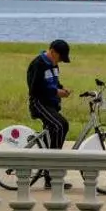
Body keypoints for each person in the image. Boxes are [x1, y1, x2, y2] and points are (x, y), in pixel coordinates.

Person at [26, 39, 73, 189]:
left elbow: (54, 83)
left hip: (51, 105)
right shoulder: (38, 64)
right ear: (52, 52)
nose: (60, 61)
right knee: (60, 125)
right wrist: (56, 92)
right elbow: (35, 89)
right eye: (60, 57)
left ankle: (50, 172)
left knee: (59, 129)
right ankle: (52, 173)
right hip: (39, 103)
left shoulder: (54, 65)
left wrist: (62, 89)